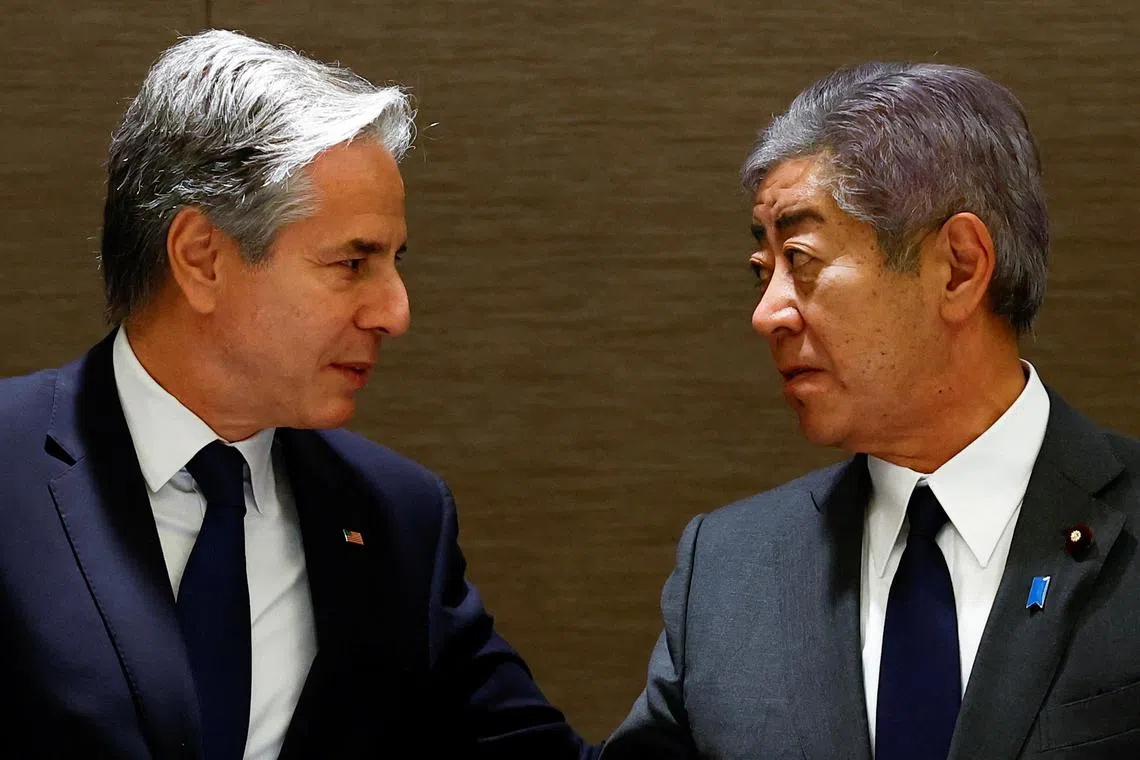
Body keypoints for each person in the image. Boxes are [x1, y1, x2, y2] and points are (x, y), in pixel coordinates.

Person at [0, 30, 595, 760]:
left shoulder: (396, 518)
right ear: (202, 258)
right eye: (352, 262)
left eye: (392, 262)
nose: (395, 312)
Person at [602, 62, 1140, 760]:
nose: (766, 315)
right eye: (762, 272)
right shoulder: (728, 573)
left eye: (801, 258)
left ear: (959, 267)